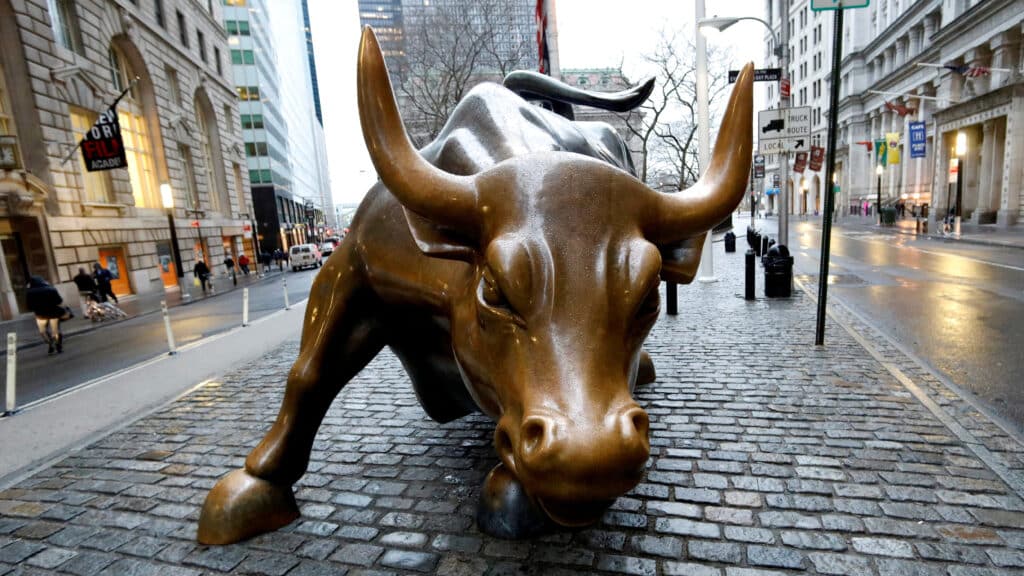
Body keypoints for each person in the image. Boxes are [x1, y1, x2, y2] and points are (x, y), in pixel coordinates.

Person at [26, 276, 66, 354]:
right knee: (56, 330)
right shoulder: (51, 289)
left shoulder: (30, 292)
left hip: (40, 314)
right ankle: (58, 346)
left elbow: (29, 306)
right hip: (53, 313)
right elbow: (59, 301)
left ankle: (51, 344)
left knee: (43, 331)